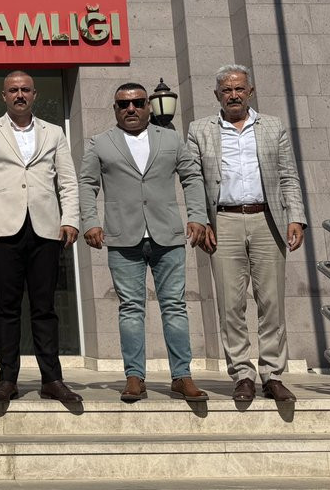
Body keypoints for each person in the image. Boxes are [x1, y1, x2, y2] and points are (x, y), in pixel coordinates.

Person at [78, 82, 209, 403]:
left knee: (174, 306)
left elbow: (192, 177)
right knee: (130, 308)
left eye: (137, 102)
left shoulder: (171, 139)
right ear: (115, 109)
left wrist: (198, 216)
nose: (131, 109)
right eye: (124, 104)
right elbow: (86, 184)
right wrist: (90, 222)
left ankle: (182, 376)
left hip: (168, 235)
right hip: (123, 237)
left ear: (148, 106)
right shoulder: (100, 143)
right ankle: (134, 376)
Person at [186, 65, 307, 403]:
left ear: (250, 92)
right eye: (227, 90)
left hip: (267, 219)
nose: (234, 95)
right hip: (223, 221)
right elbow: (193, 180)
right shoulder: (200, 129)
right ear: (217, 95)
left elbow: (288, 175)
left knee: (272, 301)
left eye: (239, 89)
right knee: (230, 304)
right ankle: (242, 374)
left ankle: (272, 375)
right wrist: (200, 219)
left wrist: (296, 217)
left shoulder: (272, 126)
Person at [0, 70, 83, 405]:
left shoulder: (54, 132)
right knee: (6, 308)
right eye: (13, 90)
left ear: (34, 94)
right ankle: (7, 380)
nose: (19, 95)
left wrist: (70, 218)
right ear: (3, 96)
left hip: (46, 230)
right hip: (4, 230)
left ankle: (52, 379)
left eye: (25, 90)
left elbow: (68, 181)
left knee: (44, 307)